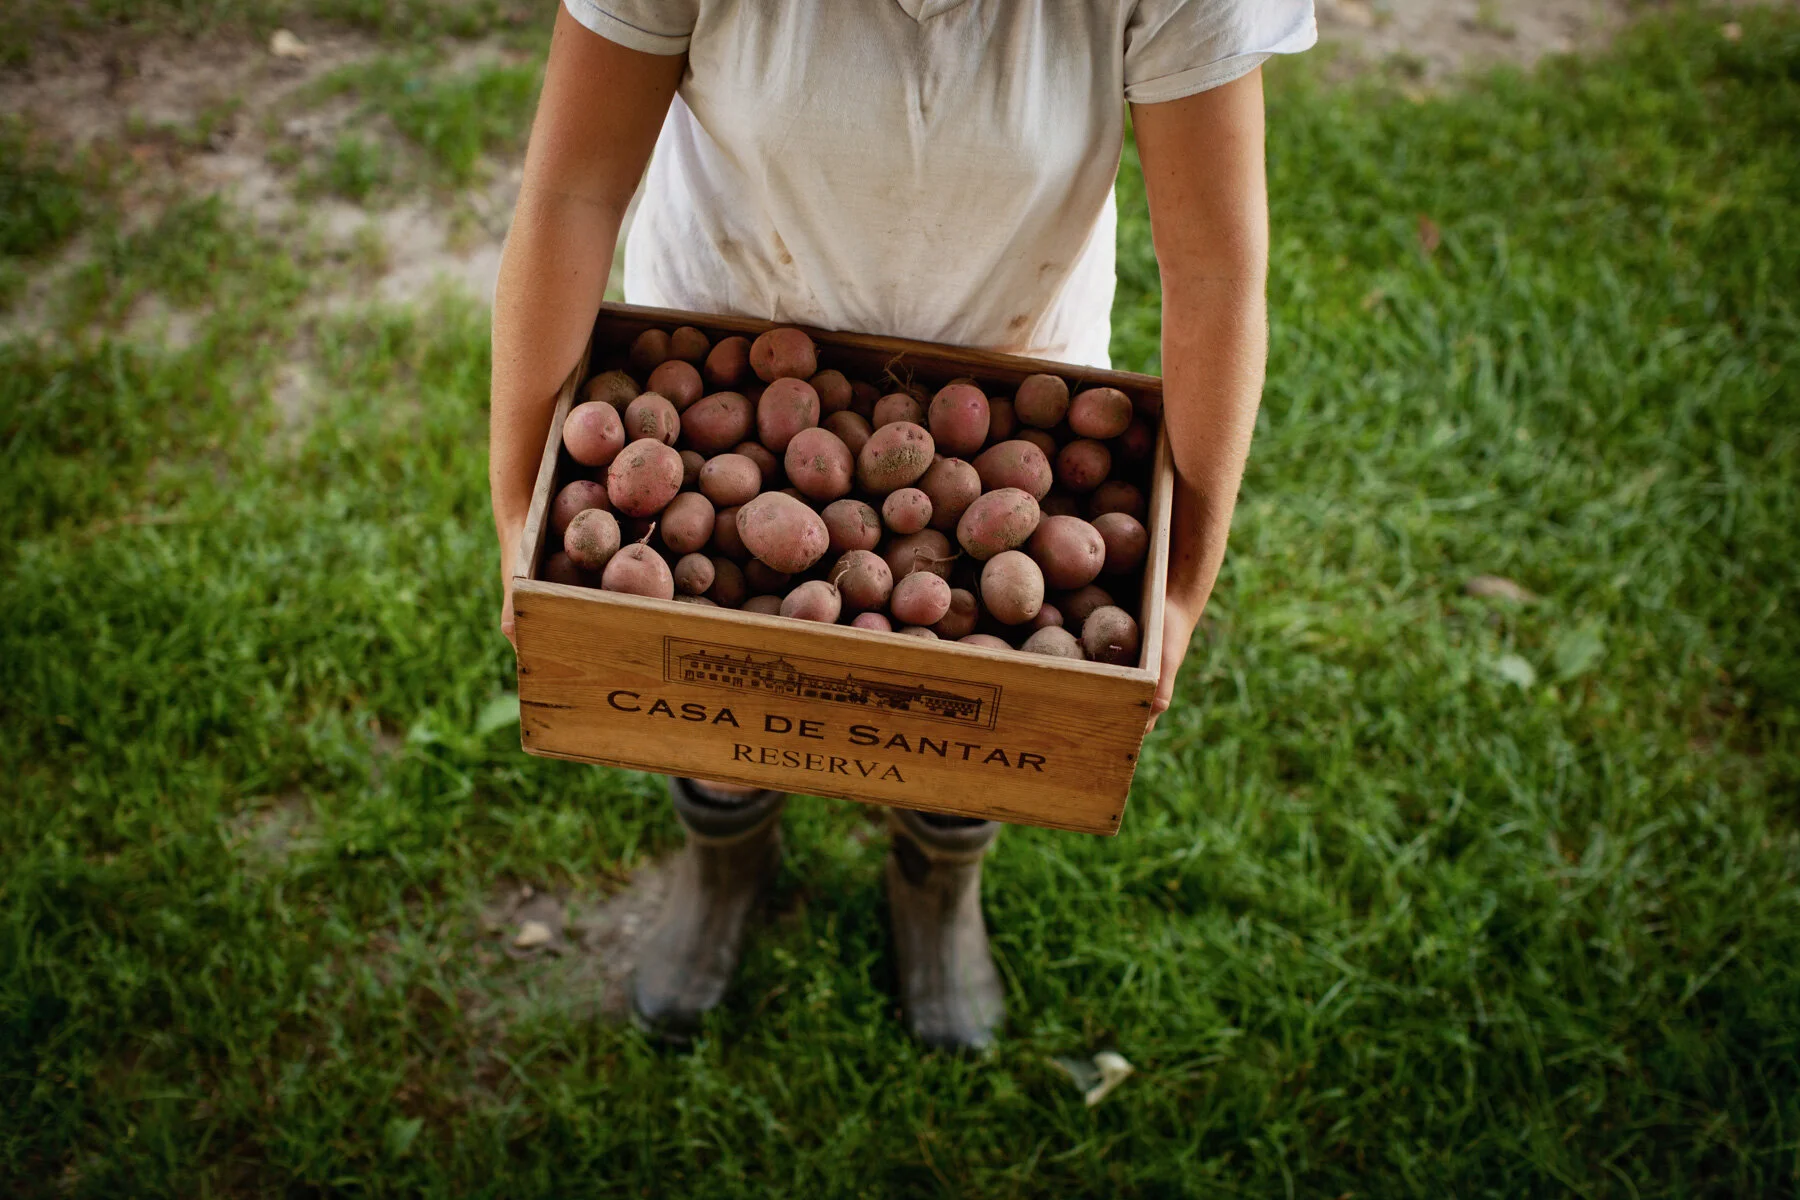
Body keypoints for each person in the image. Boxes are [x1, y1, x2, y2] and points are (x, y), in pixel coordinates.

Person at [489, 0, 1316, 1051]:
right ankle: (724, 860)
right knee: (708, 670)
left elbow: (1216, 269)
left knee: (987, 698)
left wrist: (1185, 589)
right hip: (731, 343)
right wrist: (518, 511)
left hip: (1013, 371)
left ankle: (939, 880)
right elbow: (568, 193)